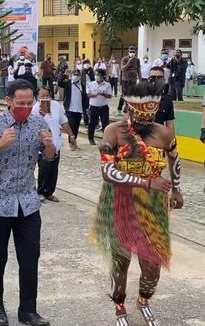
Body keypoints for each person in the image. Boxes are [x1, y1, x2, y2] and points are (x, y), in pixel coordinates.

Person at [92, 80, 183, 326]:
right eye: (140, 112)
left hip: (153, 205)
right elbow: (107, 171)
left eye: (151, 112)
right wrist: (146, 183)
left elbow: (174, 159)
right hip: (120, 201)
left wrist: (176, 189)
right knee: (121, 259)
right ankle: (119, 305)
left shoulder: (164, 133)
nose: (145, 119)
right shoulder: (113, 131)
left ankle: (144, 300)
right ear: (130, 107)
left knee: (152, 263)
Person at [0, 79, 55, 326]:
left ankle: (28, 310)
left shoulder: (38, 123)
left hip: (27, 203)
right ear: (8, 101)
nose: (26, 107)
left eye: (30, 103)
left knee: (30, 259)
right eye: (21, 103)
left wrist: (49, 145)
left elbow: (48, 157)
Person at [34, 87, 77, 202]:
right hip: (43, 144)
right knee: (44, 168)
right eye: (42, 96)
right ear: (37, 97)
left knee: (54, 169)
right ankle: (41, 191)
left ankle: (49, 192)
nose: (45, 98)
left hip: (56, 142)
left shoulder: (55, 105)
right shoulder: (34, 109)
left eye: (46, 95)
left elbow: (63, 121)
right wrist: (41, 116)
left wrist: (71, 135)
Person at [58, 69, 87, 146]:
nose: (75, 76)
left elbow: (84, 97)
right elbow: (59, 83)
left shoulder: (82, 85)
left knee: (76, 127)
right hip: (70, 109)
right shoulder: (68, 83)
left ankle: (74, 141)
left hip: (79, 109)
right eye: (74, 74)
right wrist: (64, 75)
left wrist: (86, 108)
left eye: (77, 74)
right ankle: (71, 142)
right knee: (72, 125)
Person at [87, 69, 112, 145]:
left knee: (105, 124)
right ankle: (91, 139)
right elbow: (88, 94)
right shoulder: (91, 84)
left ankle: (106, 139)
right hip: (93, 106)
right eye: (96, 74)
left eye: (98, 75)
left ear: (102, 76)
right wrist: (96, 94)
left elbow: (110, 95)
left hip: (103, 107)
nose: (97, 76)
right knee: (92, 123)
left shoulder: (107, 85)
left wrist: (103, 94)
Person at [117, 46, 141, 114]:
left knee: (132, 94)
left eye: (133, 52)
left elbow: (138, 69)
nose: (132, 53)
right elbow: (123, 69)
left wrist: (140, 78)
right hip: (125, 80)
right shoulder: (124, 59)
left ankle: (127, 108)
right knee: (124, 95)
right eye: (131, 52)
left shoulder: (137, 60)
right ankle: (119, 108)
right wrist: (129, 62)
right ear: (128, 52)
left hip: (133, 80)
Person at [81, 59, 95, 127]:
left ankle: (94, 122)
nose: (86, 64)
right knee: (85, 108)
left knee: (92, 107)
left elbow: (94, 79)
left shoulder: (92, 71)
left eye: (88, 63)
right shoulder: (81, 71)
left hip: (91, 91)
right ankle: (86, 122)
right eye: (85, 63)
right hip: (84, 92)